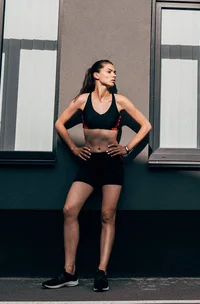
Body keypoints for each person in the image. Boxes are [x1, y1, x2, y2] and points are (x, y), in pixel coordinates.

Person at [42, 59, 151, 292]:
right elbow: (60, 123)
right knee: (69, 209)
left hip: (112, 164)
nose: (114, 75)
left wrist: (127, 148)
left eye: (115, 72)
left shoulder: (120, 101)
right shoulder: (82, 101)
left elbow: (146, 125)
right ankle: (69, 272)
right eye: (109, 71)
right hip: (90, 163)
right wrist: (73, 148)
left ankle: (101, 272)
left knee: (106, 216)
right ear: (96, 75)